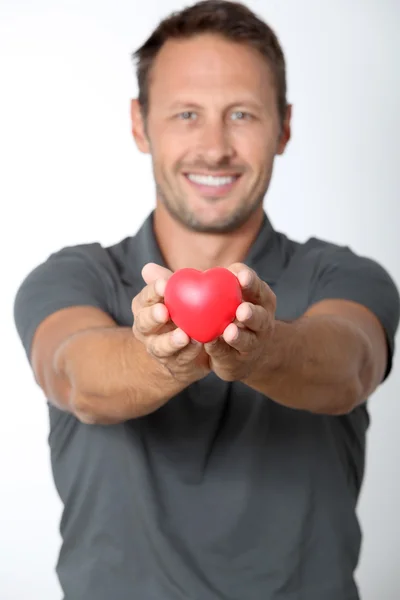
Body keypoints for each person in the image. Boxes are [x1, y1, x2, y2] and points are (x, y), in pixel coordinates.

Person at [13, 1, 399, 599]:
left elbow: (349, 366)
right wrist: (161, 356)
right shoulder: (71, 278)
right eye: (187, 114)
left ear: (284, 126)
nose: (215, 148)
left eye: (241, 114)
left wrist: (261, 351)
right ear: (140, 124)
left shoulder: (344, 277)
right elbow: (74, 376)